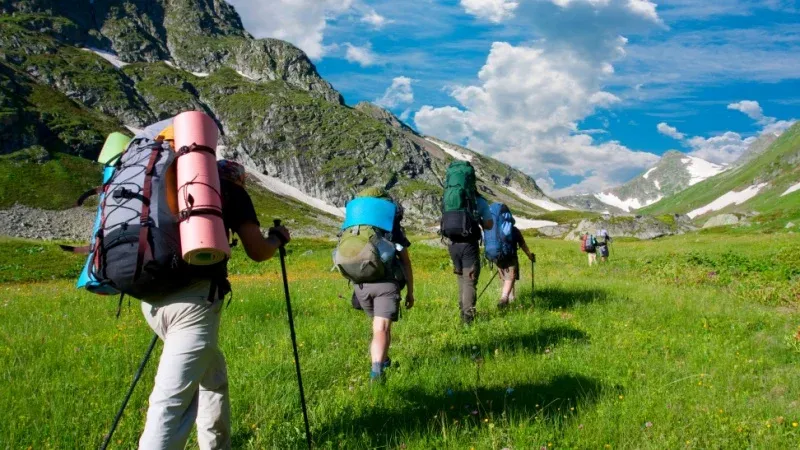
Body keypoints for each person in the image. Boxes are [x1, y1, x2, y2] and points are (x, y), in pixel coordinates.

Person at [138, 159, 291, 450]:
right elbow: (257, 251)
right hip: (194, 306)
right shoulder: (231, 191)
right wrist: (276, 239)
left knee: (213, 378)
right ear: (239, 179)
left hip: (150, 299)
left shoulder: (176, 187)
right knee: (170, 404)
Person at [346, 187, 415, 383]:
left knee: (377, 327)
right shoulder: (390, 227)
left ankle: (384, 362)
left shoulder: (354, 226)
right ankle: (377, 373)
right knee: (382, 329)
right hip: (385, 283)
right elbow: (405, 260)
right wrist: (410, 291)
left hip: (360, 285)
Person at [446, 196, 493, 324]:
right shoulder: (479, 201)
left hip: (452, 244)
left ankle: (462, 310)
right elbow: (489, 224)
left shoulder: (451, 198)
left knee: (461, 278)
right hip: (469, 245)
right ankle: (468, 318)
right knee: (469, 280)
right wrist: (480, 222)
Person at [497, 225, 535, 307]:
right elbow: (522, 244)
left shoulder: (496, 228)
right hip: (511, 257)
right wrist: (529, 256)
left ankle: (508, 300)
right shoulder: (514, 229)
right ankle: (507, 299)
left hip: (499, 258)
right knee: (511, 279)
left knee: (504, 279)